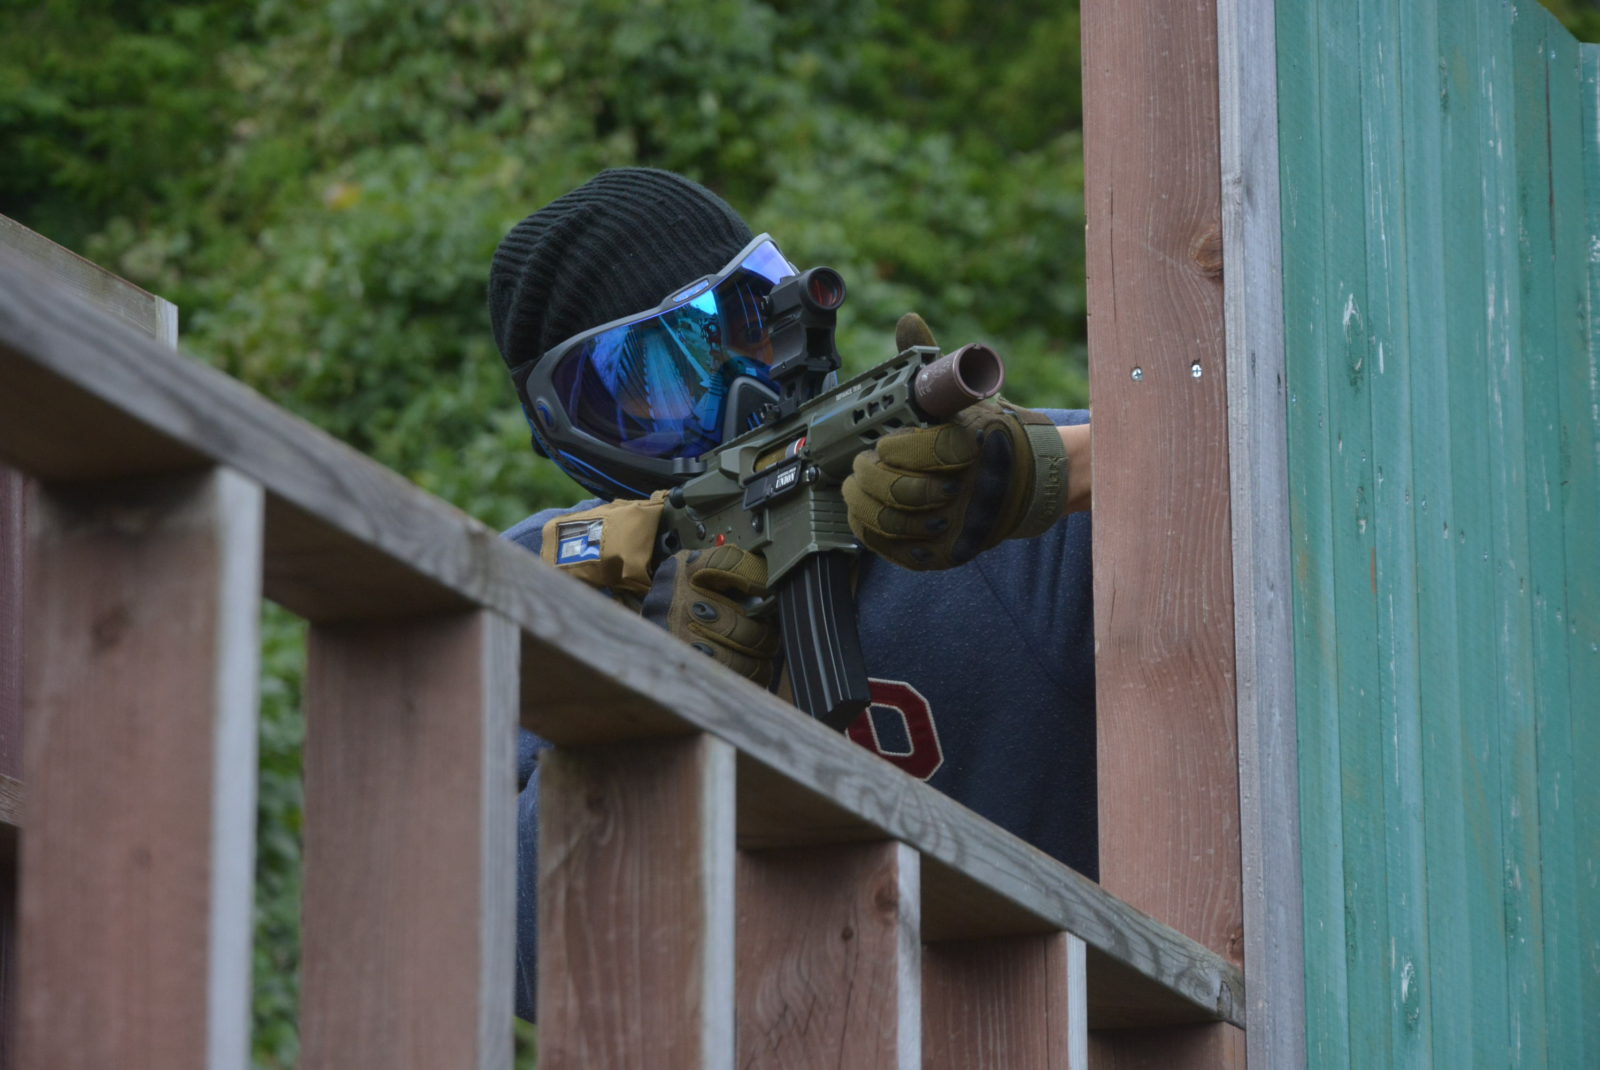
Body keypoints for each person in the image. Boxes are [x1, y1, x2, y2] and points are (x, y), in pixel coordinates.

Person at [488, 167, 1094, 1020]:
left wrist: (1047, 478)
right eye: (659, 382)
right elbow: (516, 958)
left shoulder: (988, 491)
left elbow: (1237, 490)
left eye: (747, 328)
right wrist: (652, 713)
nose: (740, 390)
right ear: (570, 433)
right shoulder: (563, 582)